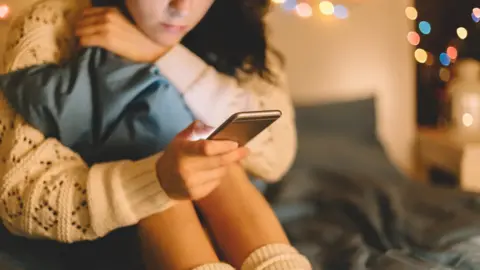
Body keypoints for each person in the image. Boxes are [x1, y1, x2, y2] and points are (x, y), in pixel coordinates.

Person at [0, 0, 310, 269]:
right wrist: (156, 179)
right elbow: (17, 198)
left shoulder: (239, 22)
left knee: (216, 156)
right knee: (169, 173)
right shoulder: (51, 23)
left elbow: (276, 157)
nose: (181, 8)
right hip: (114, 223)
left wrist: (161, 54)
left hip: (227, 208)